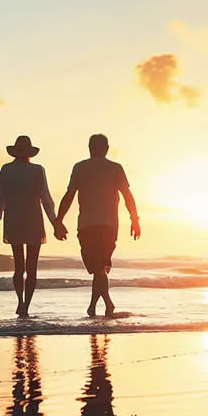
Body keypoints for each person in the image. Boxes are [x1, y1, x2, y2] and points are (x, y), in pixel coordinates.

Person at [55, 134, 140, 317]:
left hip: (86, 225)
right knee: (98, 268)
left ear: (90, 147)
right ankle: (104, 304)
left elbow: (69, 196)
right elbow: (127, 196)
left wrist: (59, 221)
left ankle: (97, 306)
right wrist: (134, 220)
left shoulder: (80, 168)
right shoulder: (115, 168)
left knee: (98, 267)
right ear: (106, 148)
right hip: (109, 226)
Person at [0, 135, 65, 318]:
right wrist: (55, 222)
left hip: (14, 220)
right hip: (33, 220)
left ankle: (20, 301)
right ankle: (26, 306)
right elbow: (46, 199)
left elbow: (0, 199)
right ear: (30, 153)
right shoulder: (37, 170)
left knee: (19, 266)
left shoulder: (6, 170)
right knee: (31, 267)